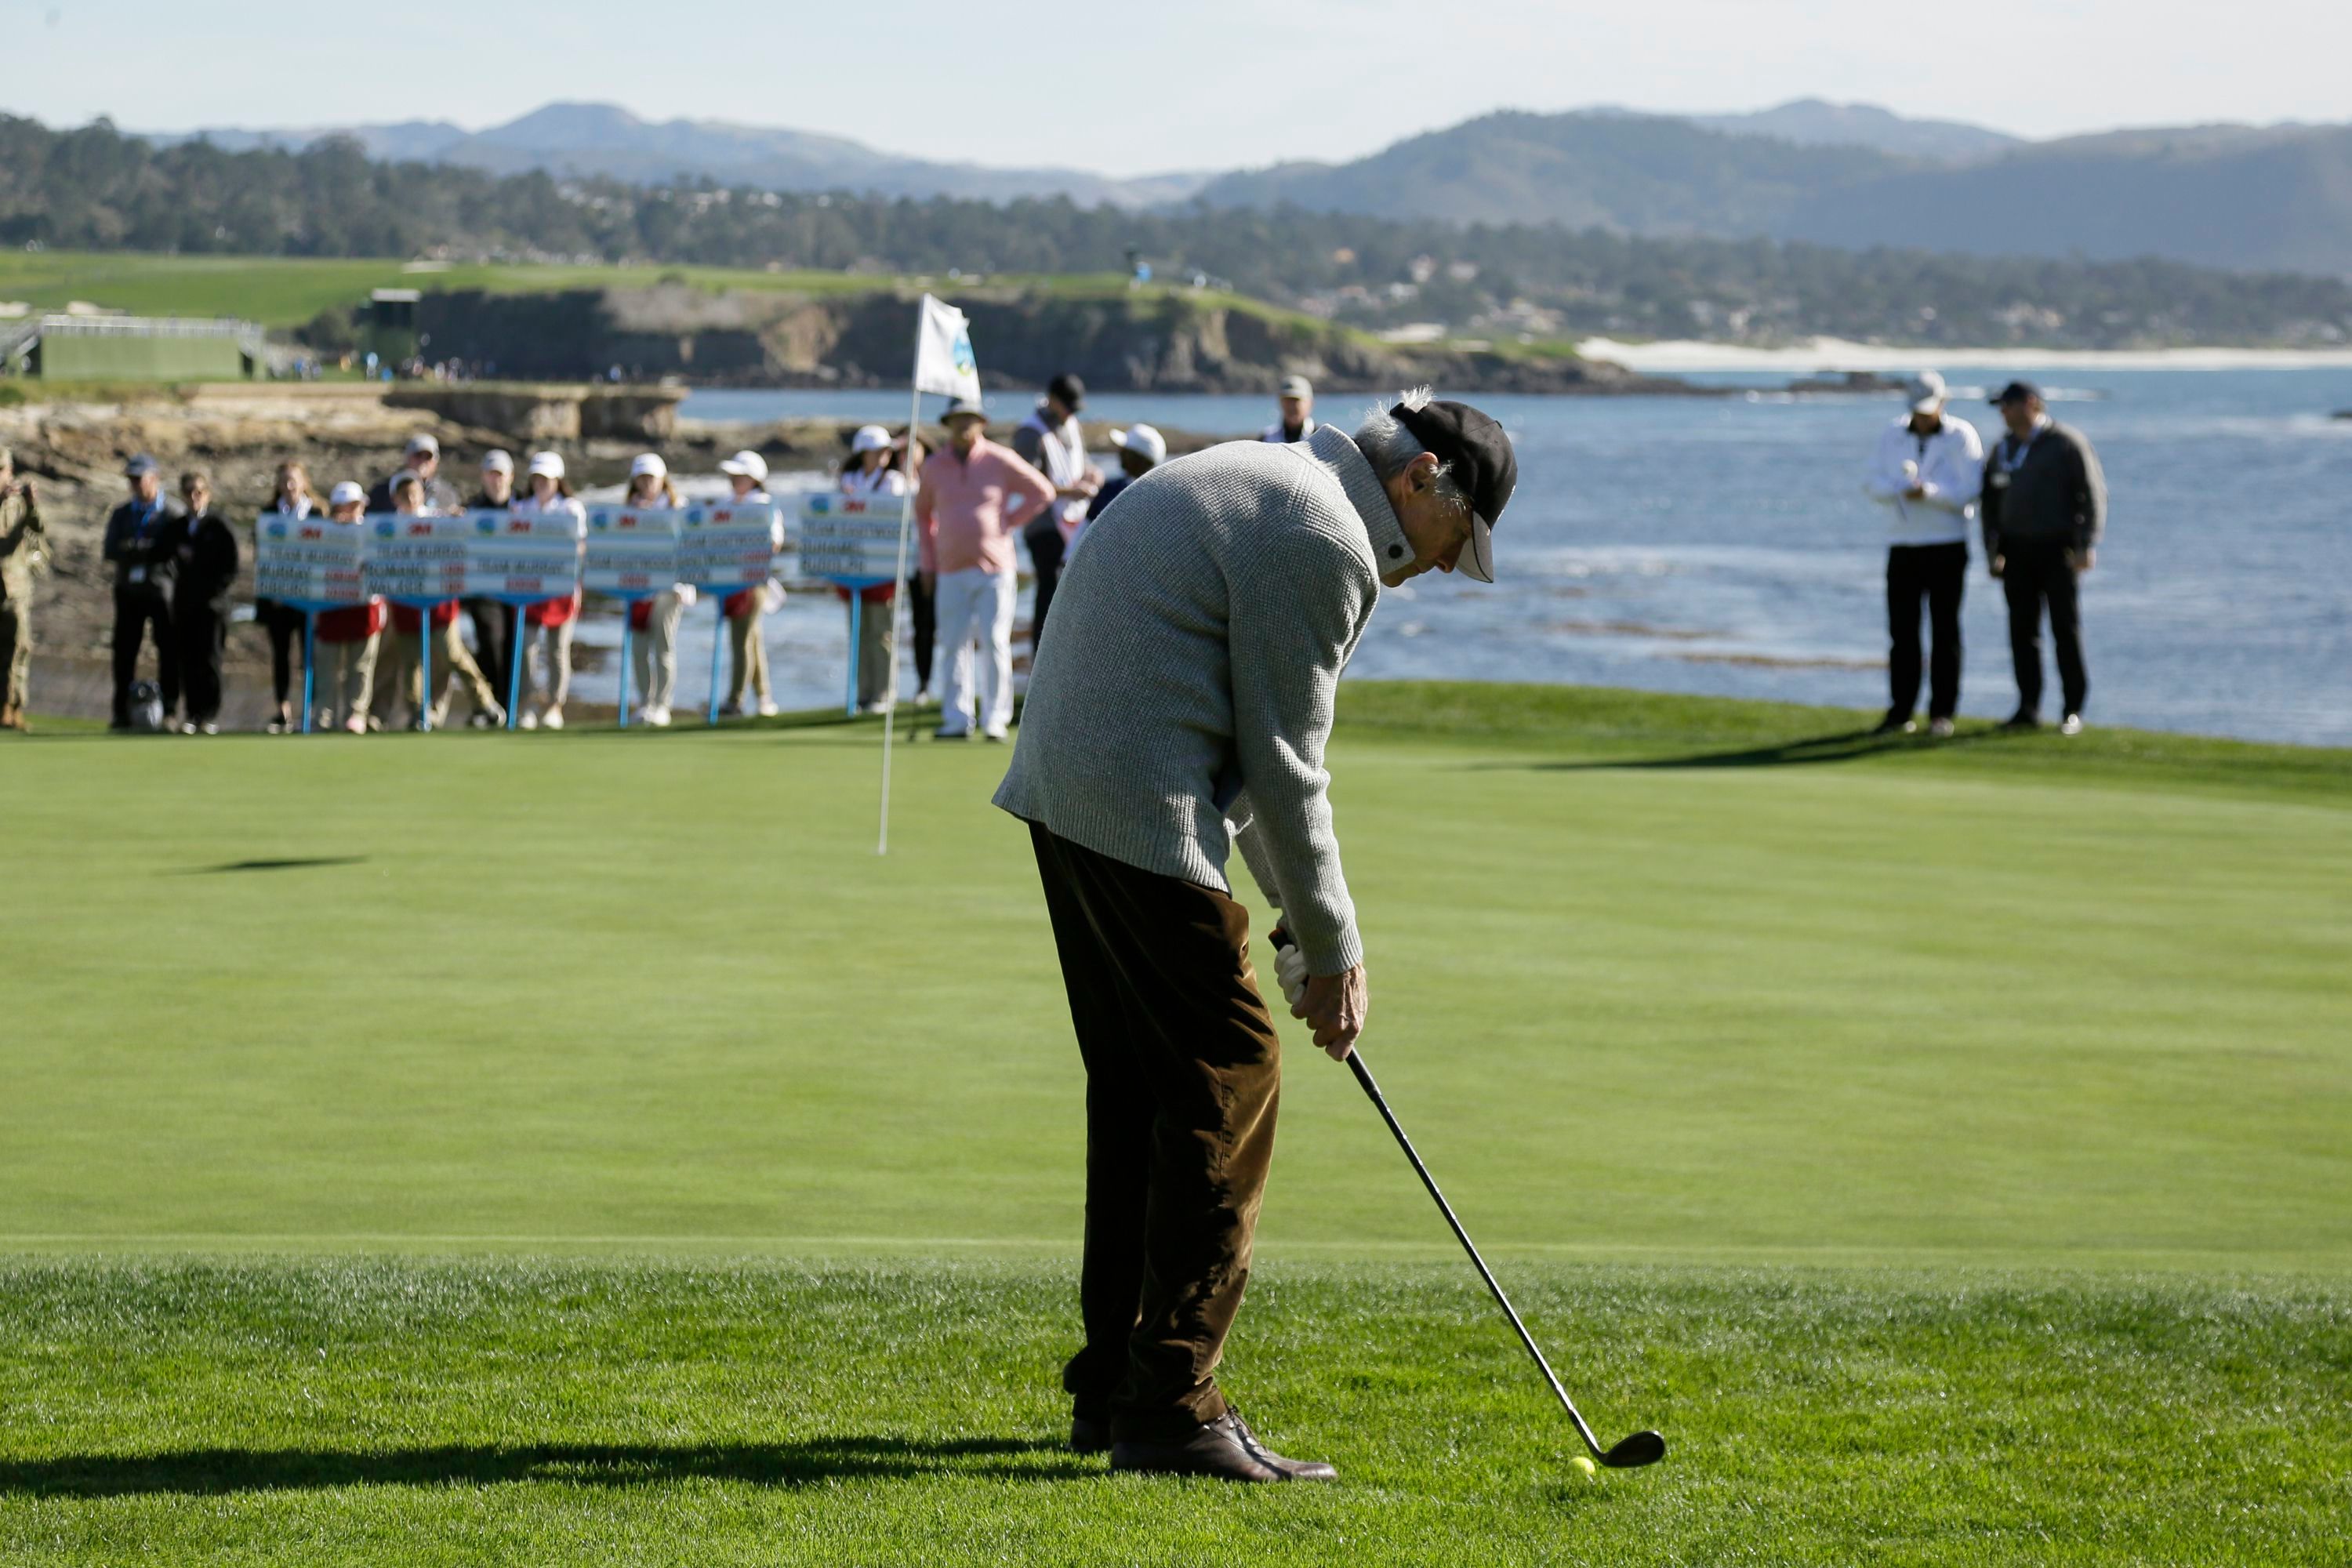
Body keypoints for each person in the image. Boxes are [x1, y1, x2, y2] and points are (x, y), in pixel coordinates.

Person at [992, 388, 1515, 1481]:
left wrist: (1295, 923)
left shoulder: (1278, 481)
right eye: (1453, 541)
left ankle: (1117, 1388)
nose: (1435, 568)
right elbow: (1286, 767)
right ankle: (1173, 1408)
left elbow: (1245, 755)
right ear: (1424, 480)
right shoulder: (1323, 534)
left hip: (1070, 793)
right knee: (1231, 1073)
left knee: (1146, 1089)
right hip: (1131, 800)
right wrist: (1336, 950)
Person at [914, 398, 1057, 741]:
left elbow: (1043, 492)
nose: (964, 426)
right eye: (958, 420)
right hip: (949, 569)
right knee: (952, 644)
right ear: (948, 424)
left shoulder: (999, 459)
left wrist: (1008, 521)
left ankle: (995, 718)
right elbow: (923, 514)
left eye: (970, 419)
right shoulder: (934, 466)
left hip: (995, 568)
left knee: (994, 642)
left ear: (981, 423)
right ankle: (956, 718)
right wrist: (927, 565)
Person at [1981, 382, 2107, 735]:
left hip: (2059, 549)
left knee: (2064, 630)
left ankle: (2072, 709)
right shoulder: (2003, 448)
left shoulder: (2065, 442)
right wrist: (1993, 552)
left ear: (2031, 404)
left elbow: (2092, 494)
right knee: (2022, 632)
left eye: (2008, 405)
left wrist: (2087, 544)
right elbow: (1990, 505)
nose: (2002, 413)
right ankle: (2028, 707)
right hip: (2016, 551)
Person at [1864, 372, 1984, 739]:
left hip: (1946, 545)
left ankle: (1942, 713)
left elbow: (1969, 490)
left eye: (1929, 410)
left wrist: (1929, 492)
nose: (1923, 417)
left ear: (1943, 403)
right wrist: (1901, 488)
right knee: (1903, 634)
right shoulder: (1892, 433)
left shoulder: (1961, 435)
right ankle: (1901, 711)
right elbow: (1871, 482)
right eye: (1918, 411)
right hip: (1903, 546)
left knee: (1945, 631)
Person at [376, 474, 506, 731]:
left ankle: (485, 703)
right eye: (404, 494)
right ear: (395, 499)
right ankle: (417, 714)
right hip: (406, 605)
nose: (411, 498)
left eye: (414, 492)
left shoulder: (438, 519)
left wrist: (458, 520)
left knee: (454, 655)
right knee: (412, 663)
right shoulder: (388, 528)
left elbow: (464, 539)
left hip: (440, 606)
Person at [1009, 374, 1102, 645]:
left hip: (1074, 524)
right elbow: (1022, 483)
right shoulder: (1030, 432)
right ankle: (1040, 659)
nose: (1072, 413)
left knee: (1072, 594)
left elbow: (1083, 463)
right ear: (1052, 400)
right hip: (1044, 527)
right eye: (1068, 406)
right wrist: (1068, 492)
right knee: (1048, 593)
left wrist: (1092, 475)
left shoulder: (1071, 425)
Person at [102, 455, 183, 731]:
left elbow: (175, 552)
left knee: (170, 651)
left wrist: (142, 549)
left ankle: (170, 712)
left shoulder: (173, 512)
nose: (134, 485)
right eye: (131, 480)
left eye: (139, 479)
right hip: (128, 592)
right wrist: (143, 550)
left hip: (163, 592)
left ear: (154, 478)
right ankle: (121, 713)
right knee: (124, 653)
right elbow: (111, 550)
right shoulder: (122, 513)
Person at [513, 451, 586, 730]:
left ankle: (555, 705)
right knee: (528, 650)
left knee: (557, 650)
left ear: (558, 480)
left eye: (547, 478)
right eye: (537, 478)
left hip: (562, 591)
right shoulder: (521, 508)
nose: (541, 483)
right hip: (529, 590)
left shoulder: (571, 509)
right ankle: (528, 705)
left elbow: (579, 547)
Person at [622, 453, 693, 727]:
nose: (646, 483)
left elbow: (688, 550)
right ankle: (644, 702)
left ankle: (663, 705)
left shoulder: (678, 506)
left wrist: (683, 584)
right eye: (642, 478)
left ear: (663, 479)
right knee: (639, 649)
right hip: (638, 589)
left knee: (663, 646)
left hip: (669, 589)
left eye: (651, 478)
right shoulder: (629, 509)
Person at [167, 470, 240, 735]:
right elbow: (160, 553)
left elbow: (231, 567)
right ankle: (192, 713)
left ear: (207, 493)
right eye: (188, 492)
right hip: (185, 604)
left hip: (213, 606)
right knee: (188, 660)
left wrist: (213, 592)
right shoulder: (178, 526)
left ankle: (209, 715)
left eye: (198, 491)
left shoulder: (219, 526)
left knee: (210, 659)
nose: (194, 497)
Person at [837, 424, 903, 713]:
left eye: (885, 451)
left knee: (882, 632)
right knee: (859, 632)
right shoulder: (848, 479)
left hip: (883, 569)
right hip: (853, 568)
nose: (882, 456)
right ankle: (863, 693)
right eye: (876, 451)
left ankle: (884, 693)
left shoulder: (895, 481)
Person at [312, 481, 385, 734]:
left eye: (357, 505)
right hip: (332, 608)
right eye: (348, 505)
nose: (353, 510)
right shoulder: (324, 533)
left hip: (365, 609)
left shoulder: (372, 531)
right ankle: (324, 714)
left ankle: (355, 714)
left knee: (360, 667)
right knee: (327, 667)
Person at [716, 448, 782, 718]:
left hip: (753, 583)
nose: (733, 480)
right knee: (752, 639)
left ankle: (735, 700)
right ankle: (764, 697)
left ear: (754, 478)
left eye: (739, 475)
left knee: (742, 639)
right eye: (732, 475)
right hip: (730, 581)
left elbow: (774, 543)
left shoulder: (763, 505)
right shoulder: (729, 503)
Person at [254, 462, 318, 734]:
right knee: (281, 655)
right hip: (278, 600)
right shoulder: (268, 514)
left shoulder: (317, 513)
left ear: (304, 482)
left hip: (310, 599)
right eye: (284, 481)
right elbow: (263, 557)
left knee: (309, 655)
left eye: (294, 480)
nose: (289, 486)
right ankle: (283, 709)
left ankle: (310, 709)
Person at [463, 449, 517, 719]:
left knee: (513, 646)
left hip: (517, 589)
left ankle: (508, 706)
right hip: (483, 590)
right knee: (491, 642)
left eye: (500, 474)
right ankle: (490, 704)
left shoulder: (522, 507)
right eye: (491, 474)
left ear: (510, 477)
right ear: (483, 477)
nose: (496, 480)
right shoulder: (472, 509)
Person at [0, 445, 48, 733]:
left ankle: (13, 707)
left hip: (15, 588)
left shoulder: (19, 503)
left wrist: (31, 503)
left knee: (19, 648)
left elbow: (39, 529)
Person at [1076, 423, 1164, 553]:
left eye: (1125, 451)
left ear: (1137, 458)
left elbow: (1083, 532)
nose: (1120, 453)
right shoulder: (1160, 496)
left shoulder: (1113, 490)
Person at [895, 428, 937, 703]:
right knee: (922, 624)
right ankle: (923, 684)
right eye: (900, 451)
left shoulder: (937, 477)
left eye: (912, 448)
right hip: (913, 565)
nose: (907, 455)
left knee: (944, 626)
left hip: (945, 562)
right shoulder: (894, 484)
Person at [368, 431, 463, 515]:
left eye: (428, 457)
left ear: (436, 461)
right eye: (418, 455)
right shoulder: (382, 492)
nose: (422, 461)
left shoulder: (447, 494)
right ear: (408, 457)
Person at [1261, 375, 1316, 444]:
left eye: (1296, 400)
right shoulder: (1267, 438)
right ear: (1280, 403)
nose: (1291, 406)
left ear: (1310, 403)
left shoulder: (1322, 438)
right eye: (1287, 400)